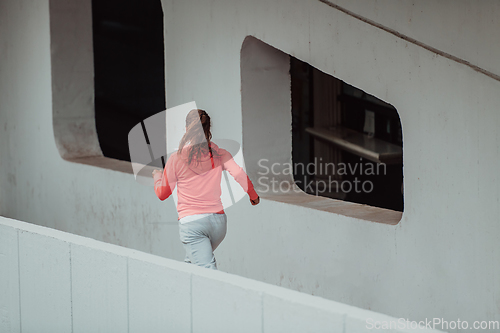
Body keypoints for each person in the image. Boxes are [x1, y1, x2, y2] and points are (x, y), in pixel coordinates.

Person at [152, 109, 260, 270]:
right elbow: (238, 174)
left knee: (207, 271)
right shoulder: (220, 154)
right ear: (208, 130)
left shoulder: (176, 158)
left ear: (187, 129)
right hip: (218, 224)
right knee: (190, 266)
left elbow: (162, 194)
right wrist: (253, 196)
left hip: (193, 225)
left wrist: (157, 176)